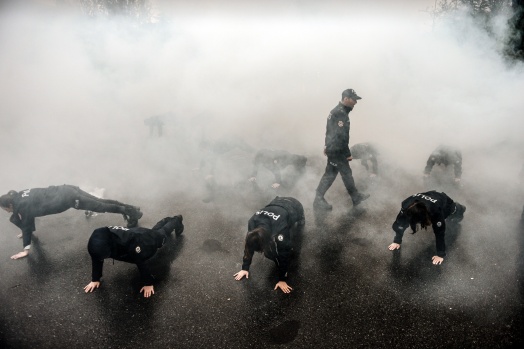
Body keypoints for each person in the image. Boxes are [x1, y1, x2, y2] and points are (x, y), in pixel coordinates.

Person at [0, 185, 143, 260]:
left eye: (5, 209)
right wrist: (26, 230)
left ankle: (132, 212)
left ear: (10, 205)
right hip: (67, 189)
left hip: (68, 198)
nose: (6, 211)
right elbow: (27, 219)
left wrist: (25, 249)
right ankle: (132, 210)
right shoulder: (17, 195)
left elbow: (25, 224)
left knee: (100, 206)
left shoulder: (22, 206)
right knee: (100, 202)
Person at [84, 215, 184, 298]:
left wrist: (148, 283)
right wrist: (95, 279)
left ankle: (176, 220)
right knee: (155, 232)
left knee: (161, 236)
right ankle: (164, 221)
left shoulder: (127, 243)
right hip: (137, 233)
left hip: (145, 242)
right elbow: (97, 257)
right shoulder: (99, 237)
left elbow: (141, 261)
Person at [234, 196, 304, 293]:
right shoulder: (252, 223)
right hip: (277, 202)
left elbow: (283, 253)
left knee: (297, 235)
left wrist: (282, 279)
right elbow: (249, 245)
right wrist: (245, 268)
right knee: (270, 254)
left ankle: (300, 223)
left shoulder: (280, 229)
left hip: (294, 206)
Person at [313, 88, 369, 210]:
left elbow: (329, 131)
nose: (355, 102)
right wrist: (347, 153)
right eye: (354, 99)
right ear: (346, 99)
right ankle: (318, 199)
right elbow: (340, 136)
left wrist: (326, 146)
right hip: (337, 151)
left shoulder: (338, 111)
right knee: (334, 174)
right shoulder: (340, 113)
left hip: (334, 149)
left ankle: (355, 197)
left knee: (341, 174)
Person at [387, 190, 466, 265]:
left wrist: (440, 254)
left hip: (443, 200)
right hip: (429, 197)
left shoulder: (435, 211)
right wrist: (397, 240)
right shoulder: (406, 205)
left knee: (453, 211)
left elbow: (440, 233)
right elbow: (399, 223)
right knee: (402, 221)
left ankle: (461, 208)